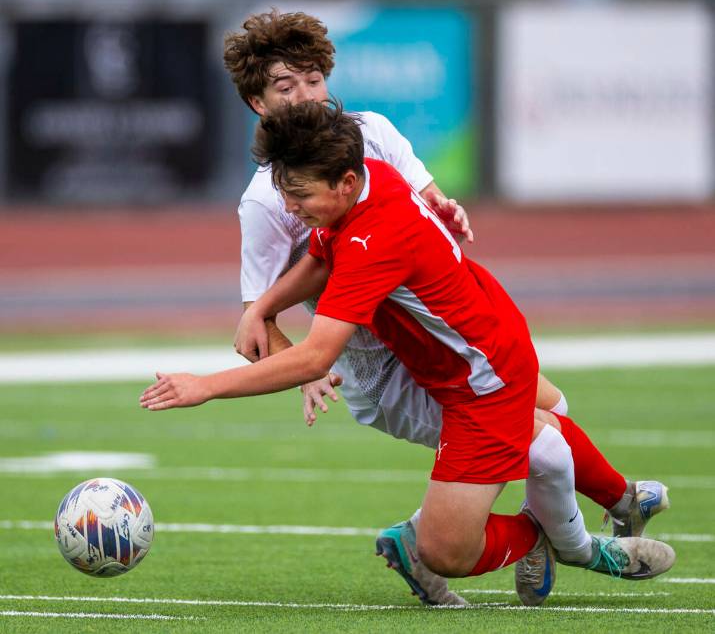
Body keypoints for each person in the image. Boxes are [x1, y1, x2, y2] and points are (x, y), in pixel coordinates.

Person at [140, 101, 675, 605]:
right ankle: (611, 507)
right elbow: (321, 261)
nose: (289, 206)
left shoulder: (373, 240)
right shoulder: (372, 178)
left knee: (444, 550)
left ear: (345, 183)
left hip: (484, 383)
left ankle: (571, 545)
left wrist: (203, 386)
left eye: (299, 194)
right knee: (549, 439)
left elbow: (314, 359)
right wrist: (262, 309)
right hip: (472, 351)